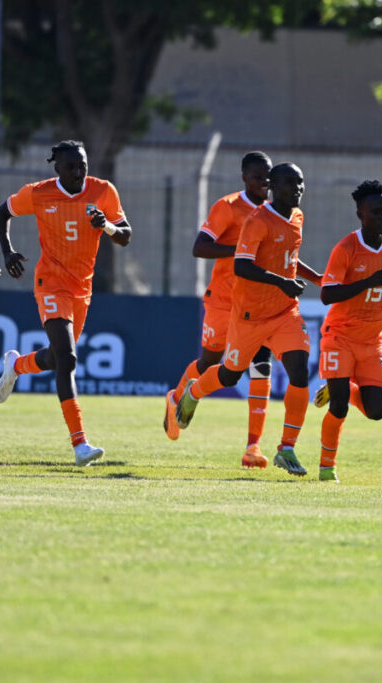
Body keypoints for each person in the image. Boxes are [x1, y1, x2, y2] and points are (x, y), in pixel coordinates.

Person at [174, 162, 322, 476]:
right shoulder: (256, 220)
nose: (298, 189)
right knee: (229, 375)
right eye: (290, 183)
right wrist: (281, 281)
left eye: (301, 182)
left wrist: (318, 277)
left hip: (284, 312)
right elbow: (242, 266)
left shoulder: (297, 216)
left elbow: (289, 259)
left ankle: (287, 448)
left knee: (298, 369)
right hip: (249, 316)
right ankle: (194, 392)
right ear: (273, 186)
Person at [0, 140, 132, 466]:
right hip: (51, 284)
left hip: (82, 290)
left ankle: (16, 365)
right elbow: (2, 213)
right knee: (68, 358)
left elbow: (125, 235)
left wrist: (107, 226)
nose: (79, 172)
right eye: (71, 167)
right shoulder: (39, 193)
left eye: (82, 165)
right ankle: (80, 443)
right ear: (57, 168)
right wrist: (8, 251)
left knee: (57, 358)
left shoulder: (103, 191)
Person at [163, 151, 279, 469]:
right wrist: (241, 250)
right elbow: (200, 247)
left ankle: (253, 447)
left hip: (259, 305)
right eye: (258, 176)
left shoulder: (275, 211)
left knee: (260, 366)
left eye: (268, 176)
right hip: (224, 300)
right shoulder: (227, 207)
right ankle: (178, 398)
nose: (264, 182)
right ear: (244, 177)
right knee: (211, 362)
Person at [312, 180, 382, 483]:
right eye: (376, 211)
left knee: (377, 411)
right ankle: (327, 468)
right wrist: (368, 283)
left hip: (372, 340)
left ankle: (343, 387)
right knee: (338, 407)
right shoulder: (346, 249)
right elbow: (328, 295)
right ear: (360, 214)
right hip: (339, 335)